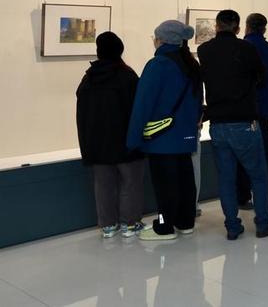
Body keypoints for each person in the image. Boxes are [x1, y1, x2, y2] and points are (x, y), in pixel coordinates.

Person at [198, 10, 268, 240]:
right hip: (244, 122)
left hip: (218, 124)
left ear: (216, 26)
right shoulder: (246, 49)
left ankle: (232, 226)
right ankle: (263, 223)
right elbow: (261, 77)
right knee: (258, 175)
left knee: (226, 179)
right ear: (237, 28)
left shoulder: (204, 50)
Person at [127, 21, 203, 241]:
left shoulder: (158, 65)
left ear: (160, 40)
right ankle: (186, 222)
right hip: (186, 135)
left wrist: (133, 139)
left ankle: (164, 226)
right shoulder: (191, 64)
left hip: (162, 138)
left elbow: (143, 104)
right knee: (185, 180)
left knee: (164, 187)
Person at [76, 32, 145, 239]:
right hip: (125, 141)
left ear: (98, 51)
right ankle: (129, 224)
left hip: (96, 143)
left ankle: (107, 225)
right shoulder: (127, 76)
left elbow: (81, 115)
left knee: (103, 184)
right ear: (120, 50)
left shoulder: (88, 79)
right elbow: (138, 110)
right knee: (131, 183)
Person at [238, 13, 268, 210]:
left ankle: (243, 197)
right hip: (265, 109)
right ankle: (266, 196)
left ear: (247, 27)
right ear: (264, 28)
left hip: (243, 110)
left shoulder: (240, 49)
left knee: (243, 153)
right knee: (264, 152)